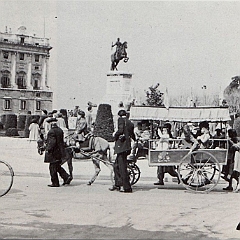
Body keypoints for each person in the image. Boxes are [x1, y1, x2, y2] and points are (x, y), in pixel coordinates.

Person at [109, 109, 136, 193]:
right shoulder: (130, 123)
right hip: (127, 147)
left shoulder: (121, 120)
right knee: (116, 165)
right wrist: (135, 140)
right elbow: (132, 134)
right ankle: (118, 183)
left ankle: (126, 187)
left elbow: (120, 130)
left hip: (121, 147)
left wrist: (115, 135)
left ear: (119, 115)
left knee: (122, 167)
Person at [44, 117, 72, 187]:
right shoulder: (60, 130)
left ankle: (55, 183)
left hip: (53, 153)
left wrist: (48, 149)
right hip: (60, 152)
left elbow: (52, 142)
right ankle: (66, 177)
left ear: (51, 124)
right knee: (57, 166)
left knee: (52, 168)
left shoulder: (51, 132)